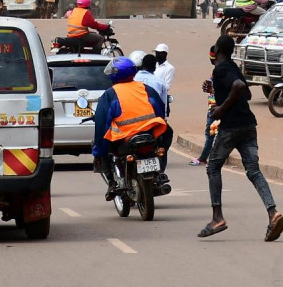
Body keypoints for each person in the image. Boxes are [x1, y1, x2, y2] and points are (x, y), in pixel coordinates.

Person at [199, 35, 283, 242]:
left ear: (218, 48)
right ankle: (273, 213)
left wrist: (221, 108)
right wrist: (216, 90)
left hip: (232, 127)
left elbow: (238, 87)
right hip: (248, 125)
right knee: (253, 170)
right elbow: (245, 94)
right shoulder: (233, 66)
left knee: (213, 167)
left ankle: (217, 217)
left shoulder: (221, 69)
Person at [92, 57, 172, 196]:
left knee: (100, 147)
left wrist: (98, 150)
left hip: (124, 139)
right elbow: (159, 110)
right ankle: (160, 169)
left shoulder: (111, 94)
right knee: (168, 133)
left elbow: (102, 123)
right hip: (150, 136)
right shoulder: (146, 89)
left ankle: (112, 183)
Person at [191, 45, 218, 166]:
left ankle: (204, 158)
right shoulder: (218, 70)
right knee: (214, 133)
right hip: (215, 107)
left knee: (211, 133)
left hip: (216, 108)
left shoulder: (220, 70)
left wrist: (212, 88)